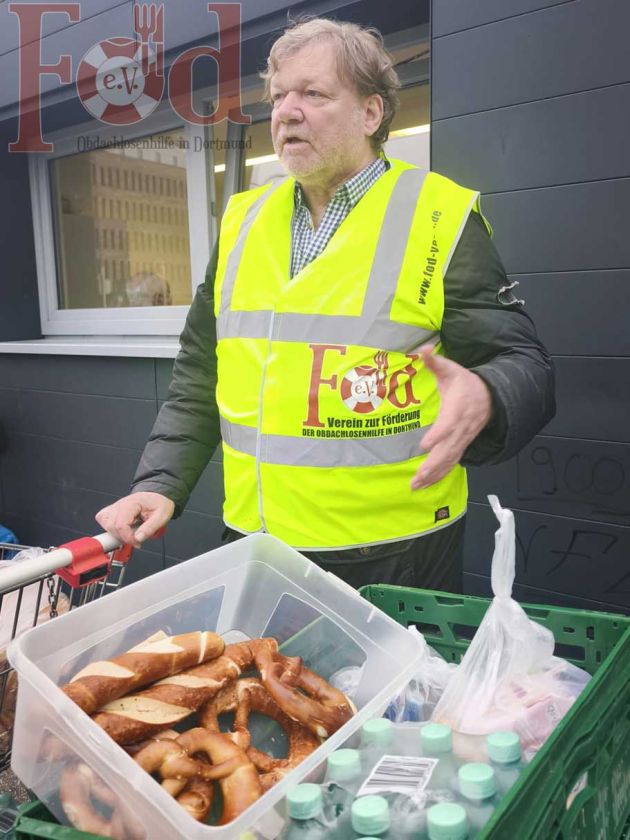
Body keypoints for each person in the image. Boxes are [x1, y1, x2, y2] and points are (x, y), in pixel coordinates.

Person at [96, 19, 554, 591]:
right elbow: (200, 372)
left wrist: (488, 394)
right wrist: (160, 482)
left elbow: (523, 362)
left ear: (371, 113)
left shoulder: (439, 217)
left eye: (313, 93)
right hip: (257, 543)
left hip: (394, 555)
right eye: (278, 96)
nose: (287, 112)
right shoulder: (242, 221)